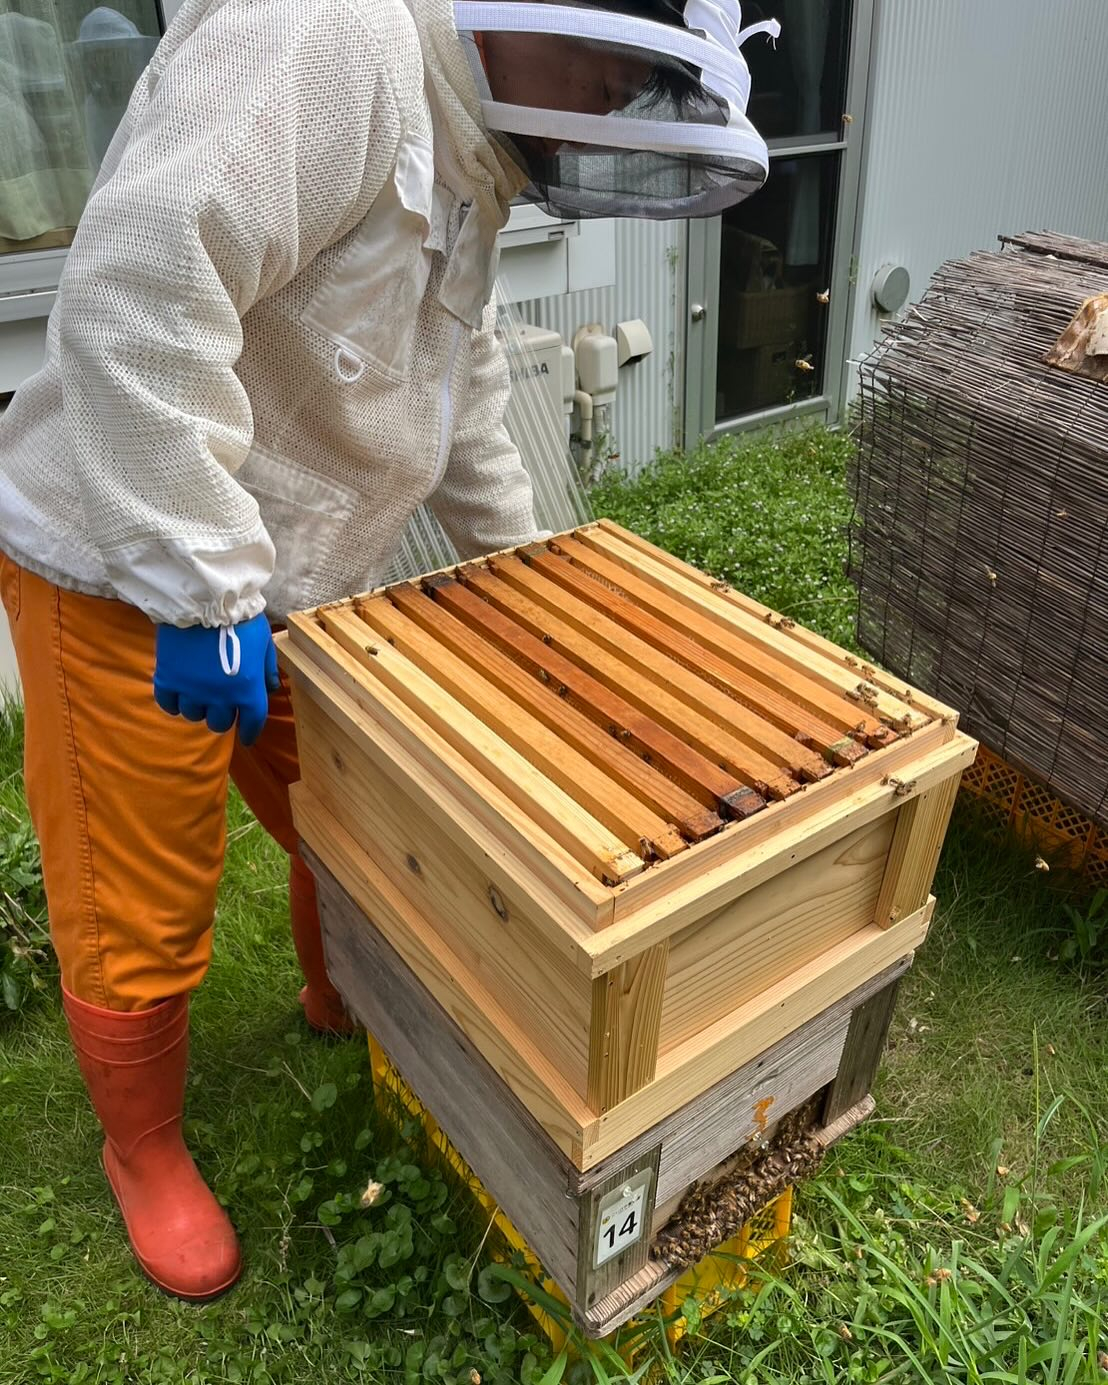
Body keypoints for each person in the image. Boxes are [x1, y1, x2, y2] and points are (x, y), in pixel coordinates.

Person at [0, 0, 774, 1301]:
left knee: (356, 802)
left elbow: (451, 381)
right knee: (145, 886)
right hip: (126, 555)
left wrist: (525, 571)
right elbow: (136, 295)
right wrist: (203, 594)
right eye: (611, 65)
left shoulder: (468, 135)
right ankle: (143, 1147)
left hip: (302, 577)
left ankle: (340, 991)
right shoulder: (328, 40)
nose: (608, 104)